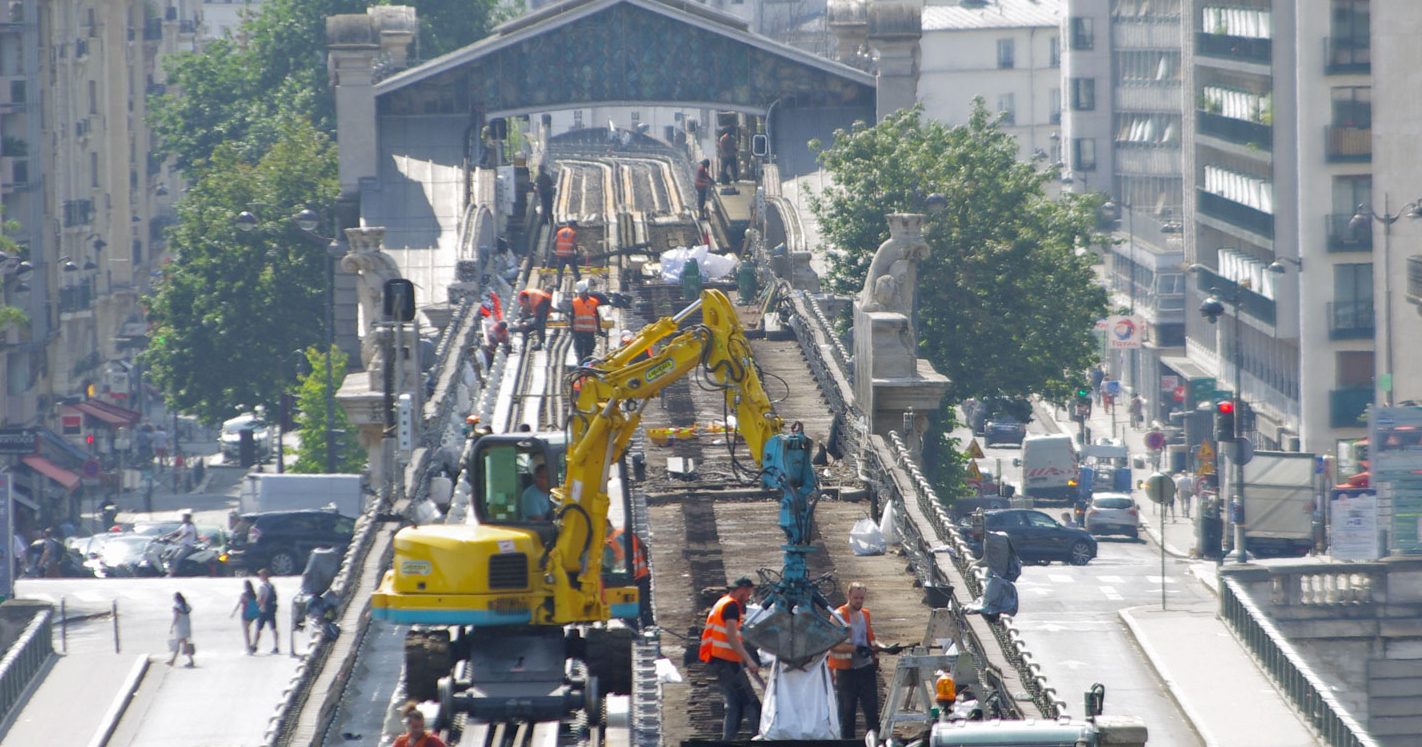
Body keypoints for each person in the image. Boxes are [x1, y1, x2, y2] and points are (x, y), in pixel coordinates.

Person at [699, 576, 761, 740]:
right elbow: (732, 637)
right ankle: (759, 736)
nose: (748, 598)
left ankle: (727, 740)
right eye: (748, 594)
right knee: (751, 702)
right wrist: (749, 659)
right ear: (742, 590)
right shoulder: (732, 606)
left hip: (718, 661)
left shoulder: (722, 603)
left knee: (734, 705)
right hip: (728, 662)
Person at [830, 582, 884, 740]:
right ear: (849, 596)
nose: (859, 601)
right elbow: (833, 645)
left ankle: (873, 741)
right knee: (847, 713)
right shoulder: (838, 616)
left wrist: (884, 647)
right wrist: (856, 649)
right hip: (846, 672)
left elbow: (870, 639)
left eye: (861, 598)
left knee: (872, 712)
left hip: (866, 669)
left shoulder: (865, 614)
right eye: (856, 598)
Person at [604, 525, 651, 624]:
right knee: (645, 608)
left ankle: (636, 631)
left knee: (628, 611)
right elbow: (643, 548)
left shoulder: (609, 542)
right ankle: (648, 627)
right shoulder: (624, 532)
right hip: (641, 574)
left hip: (626, 579)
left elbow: (609, 563)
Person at [570, 285, 602, 364]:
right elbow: (572, 316)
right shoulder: (575, 302)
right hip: (578, 330)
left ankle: (586, 361)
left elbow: (597, 316)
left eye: (582, 293)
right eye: (580, 294)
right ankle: (580, 361)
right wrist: (571, 328)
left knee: (590, 346)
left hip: (589, 330)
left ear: (586, 292)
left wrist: (599, 329)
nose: (581, 295)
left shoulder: (593, 302)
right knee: (578, 347)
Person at [163, 509, 199, 577]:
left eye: (184, 517)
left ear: (188, 518)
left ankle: (172, 574)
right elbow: (176, 532)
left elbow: (184, 535)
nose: (182, 519)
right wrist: (165, 536)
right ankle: (168, 571)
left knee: (176, 559)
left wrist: (175, 540)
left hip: (187, 546)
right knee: (169, 557)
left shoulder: (191, 526)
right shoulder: (184, 525)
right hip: (181, 545)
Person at [252, 568, 280, 654]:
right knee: (273, 628)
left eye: (260, 575)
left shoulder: (262, 587)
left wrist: (257, 607)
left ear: (264, 576)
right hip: (271, 609)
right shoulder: (271, 586)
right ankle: (276, 646)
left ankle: (254, 645)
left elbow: (261, 599)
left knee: (258, 628)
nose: (259, 577)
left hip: (263, 610)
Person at [231, 579, 261, 654]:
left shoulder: (244, 595)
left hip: (245, 614)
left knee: (246, 632)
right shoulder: (254, 594)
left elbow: (239, 604)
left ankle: (248, 647)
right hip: (253, 614)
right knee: (249, 629)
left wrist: (233, 612)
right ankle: (252, 646)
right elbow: (257, 603)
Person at [168, 592, 195, 667]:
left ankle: (173, 661)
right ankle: (173, 660)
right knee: (183, 644)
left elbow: (176, 617)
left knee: (179, 644)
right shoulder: (187, 606)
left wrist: (172, 627)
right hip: (186, 626)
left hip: (179, 628)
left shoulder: (176, 607)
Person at [552, 220, 581, 288]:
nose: (575, 227)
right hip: (569, 255)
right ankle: (579, 284)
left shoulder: (560, 232)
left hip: (560, 255)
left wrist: (555, 250)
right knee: (575, 271)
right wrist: (577, 252)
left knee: (560, 272)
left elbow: (554, 242)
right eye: (575, 226)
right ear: (573, 225)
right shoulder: (572, 232)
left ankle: (558, 285)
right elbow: (574, 243)